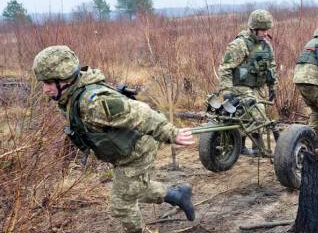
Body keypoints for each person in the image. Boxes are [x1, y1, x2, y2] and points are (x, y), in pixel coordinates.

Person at [32, 45, 196, 233]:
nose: (44, 89)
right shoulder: (70, 95)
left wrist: (171, 133)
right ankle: (178, 196)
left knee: (122, 205)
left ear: (65, 79)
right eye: (43, 83)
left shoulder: (93, 104)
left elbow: (141, 112)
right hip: (123, 151)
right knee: (134, 189)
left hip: (137, 150)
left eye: (49, 83)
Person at [217, 9, 278, 155]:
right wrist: (226, 91)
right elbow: (225, 68)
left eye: (266, 29)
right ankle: (256, 148)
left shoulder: (266, 46)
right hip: (240, 87)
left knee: (249, 116)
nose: (265, 33)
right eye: (262, 30)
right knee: (257, 113)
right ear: (253, 29)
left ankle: (245, 147)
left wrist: (273, 87)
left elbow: (271, 67)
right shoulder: (239, 44)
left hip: (257, 87)